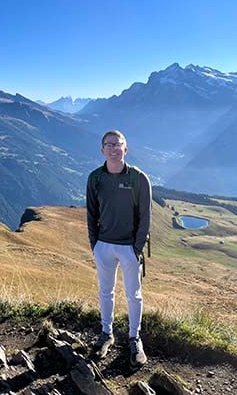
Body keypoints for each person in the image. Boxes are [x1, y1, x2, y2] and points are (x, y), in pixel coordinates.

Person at [86, 130, 152, 369]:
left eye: (118, 144)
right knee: (106, 292)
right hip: (104, 246)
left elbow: (145, 216)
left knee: (134, 295)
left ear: (126, 149)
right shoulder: (95, 178)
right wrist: (95, 244)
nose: (114, 148)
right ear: (102, 149)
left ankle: (135, 339)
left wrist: (136, 247)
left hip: (129, 249)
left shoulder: (139, 178)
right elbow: (91, 213)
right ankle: (107, 334)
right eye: (109, 144)